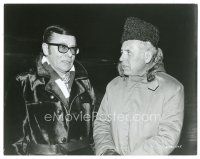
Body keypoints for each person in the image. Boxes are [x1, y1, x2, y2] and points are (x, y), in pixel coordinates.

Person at [93, 17, 184, 155]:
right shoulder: (113, 86)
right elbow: (101, 124)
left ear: (147, 56)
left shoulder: (172, 89)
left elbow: (167, 138)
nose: (121, 58)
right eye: (122, 52)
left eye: (128, 52)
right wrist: (107, 151)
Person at [5, 25, 96, 155]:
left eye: (73, 49)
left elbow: (94, 131)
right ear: (46, 48)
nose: (70, 54)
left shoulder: (84, 82)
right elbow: (13, 142)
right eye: (63, 47)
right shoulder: (25, 82)